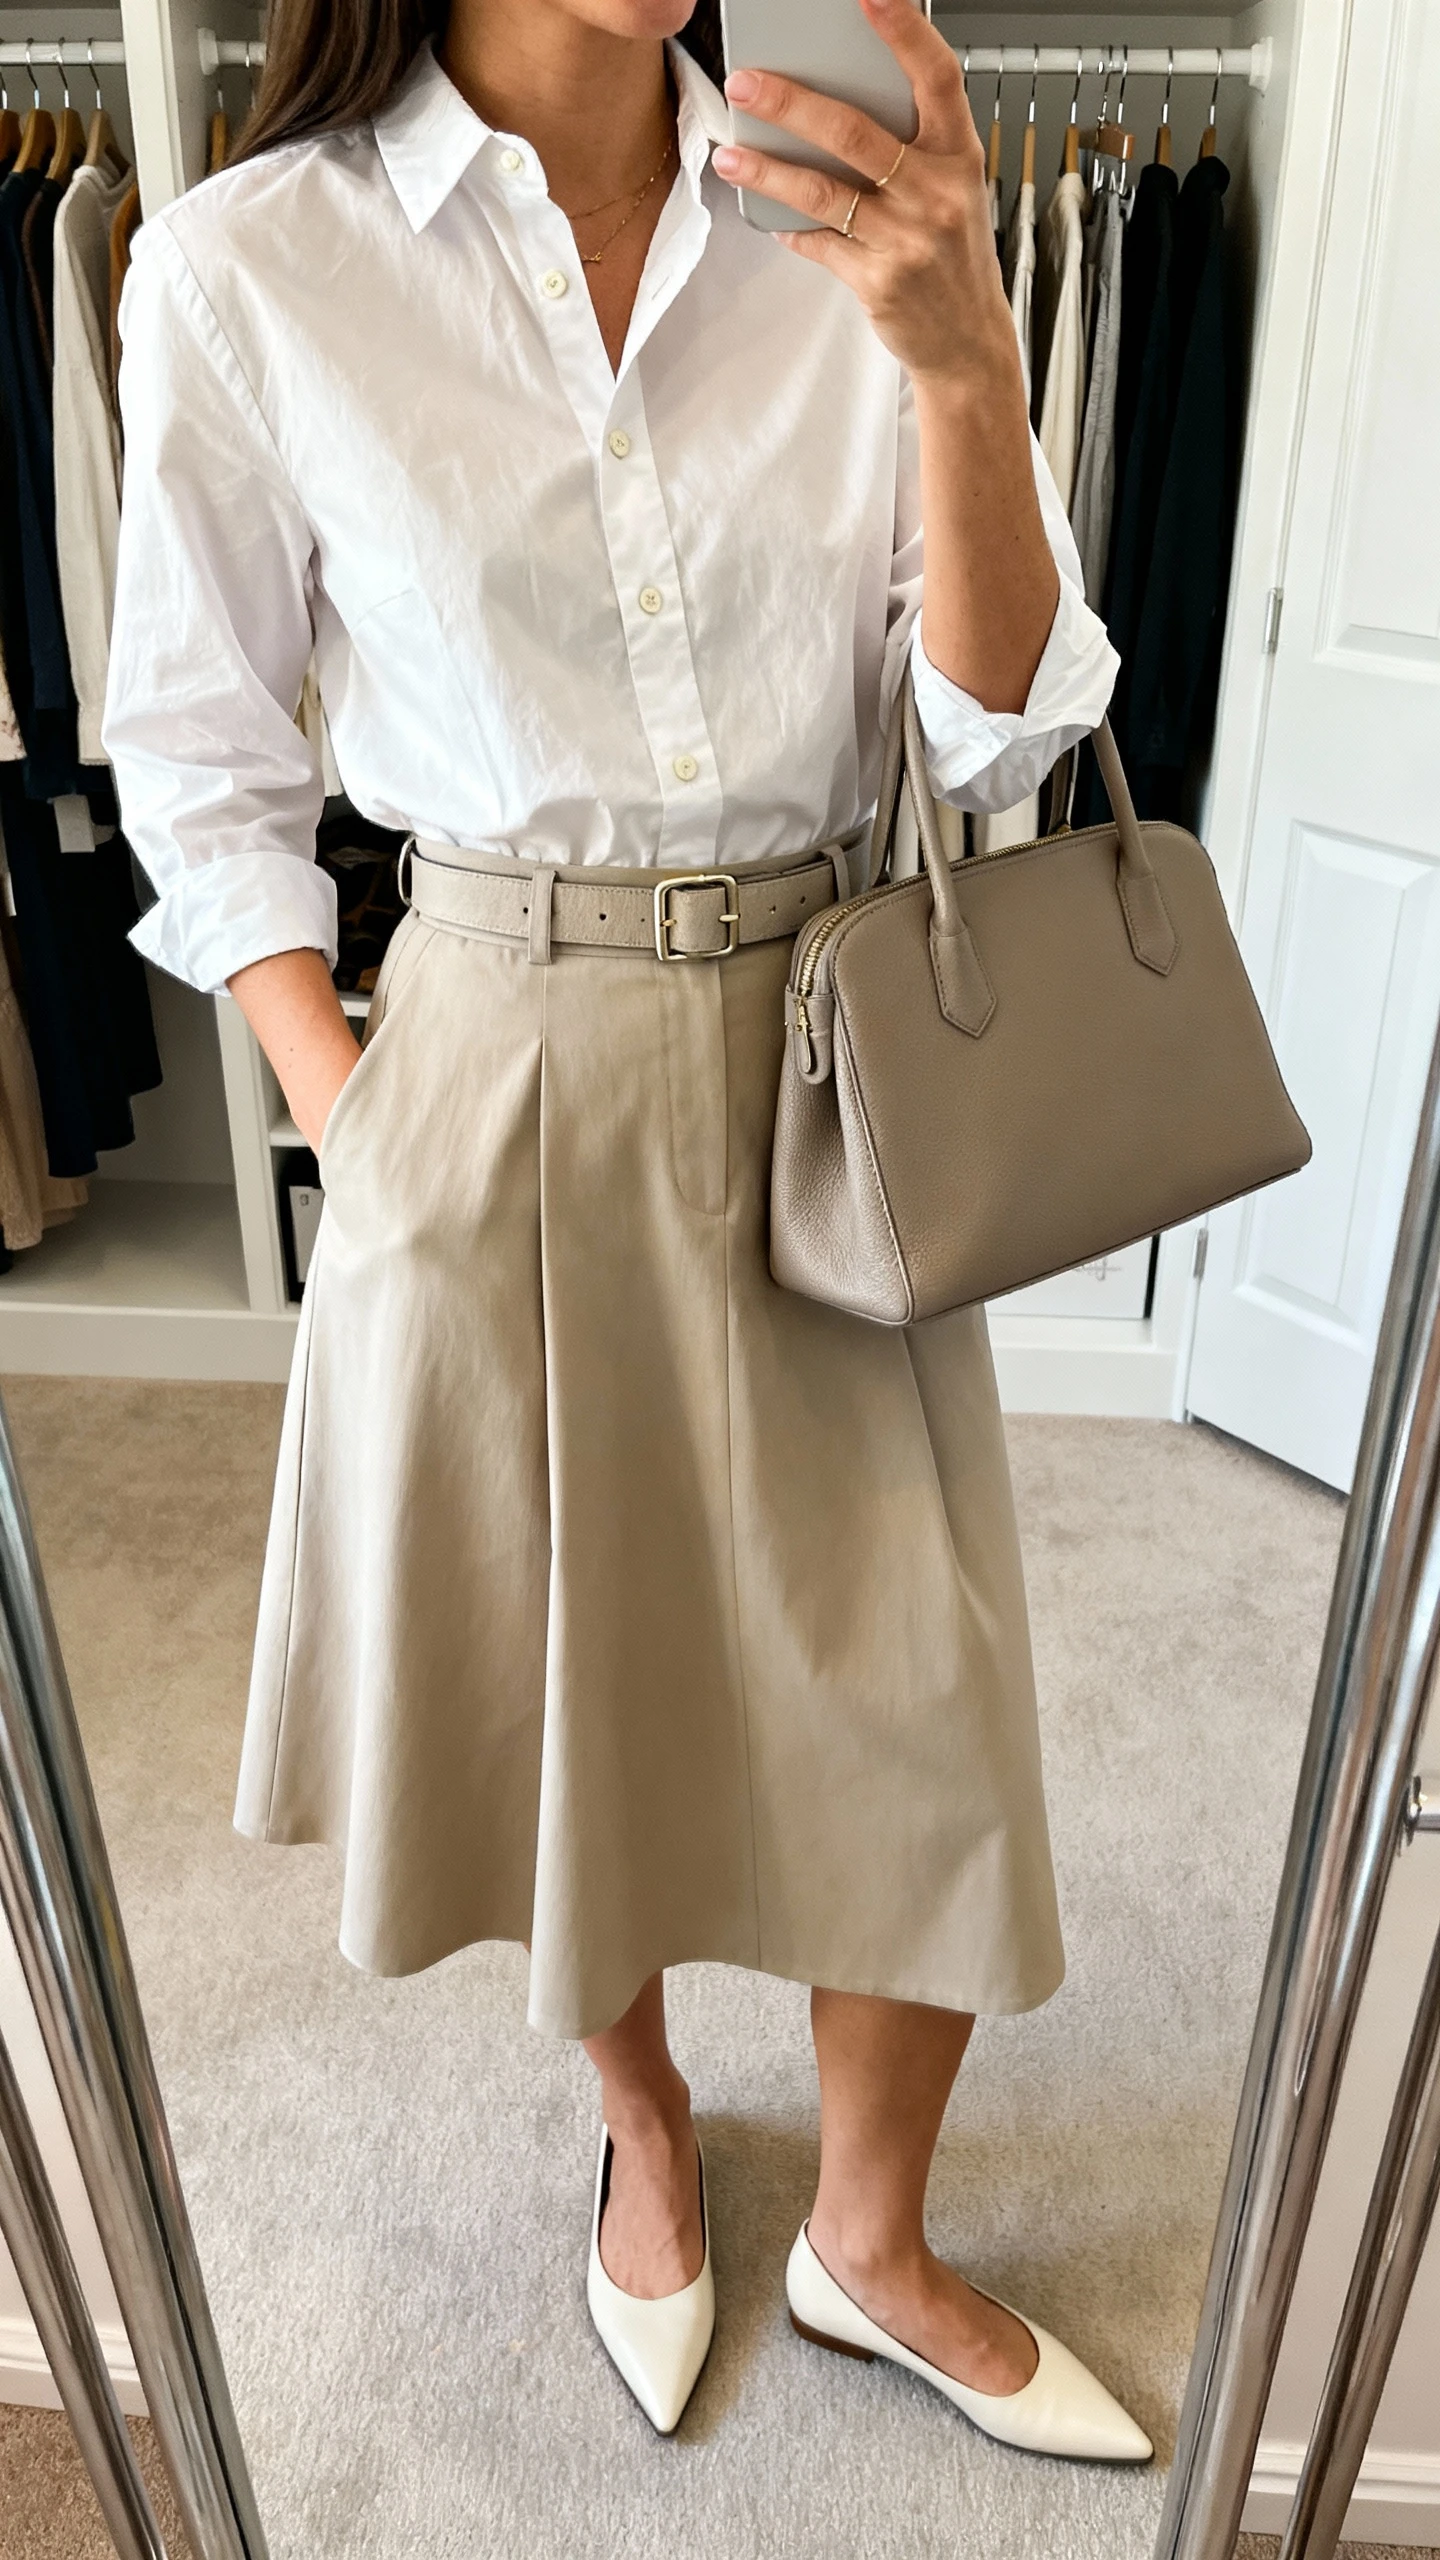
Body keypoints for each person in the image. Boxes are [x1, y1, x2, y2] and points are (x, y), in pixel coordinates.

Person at [103, 0, 1151, 2457]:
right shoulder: (252, 263)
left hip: (826, 1042)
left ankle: (876, 2237)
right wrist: (351, 1112)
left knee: (920, 1679)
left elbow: (994, 729)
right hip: (485, 1047)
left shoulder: (850, 216)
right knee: (574, 1681)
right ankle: (651, 2121)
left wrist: (964, 365)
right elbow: (200, 749)